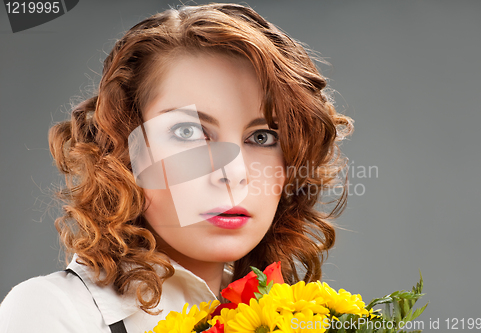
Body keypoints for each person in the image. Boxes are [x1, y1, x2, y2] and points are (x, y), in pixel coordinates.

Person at [0, 3, 353, 332]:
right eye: (189, 132)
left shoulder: (300, 317)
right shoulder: (54, 312)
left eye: (262, 137)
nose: (233, 173)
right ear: (124, 150)